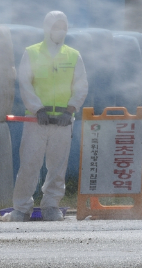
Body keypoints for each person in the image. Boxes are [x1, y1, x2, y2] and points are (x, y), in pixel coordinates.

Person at [10, 11, 88, 222]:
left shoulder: (73, 55)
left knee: (57, 166)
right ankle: (21, 208)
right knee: (29, 164)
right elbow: (25, 83)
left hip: (63, 121)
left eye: (63, 26)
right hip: (36, 121)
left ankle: (52, 206)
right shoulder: (32, 53)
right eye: (56, 26)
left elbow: (81, 86)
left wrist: (70, 109)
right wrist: (38, 109)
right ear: (47, 28)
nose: (60, 30)